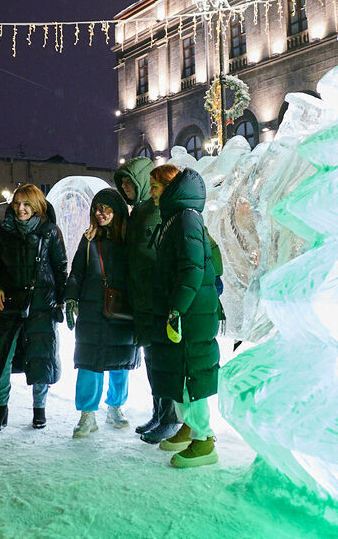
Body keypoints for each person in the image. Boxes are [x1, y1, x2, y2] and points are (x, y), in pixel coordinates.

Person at [148, 165, 221, 468]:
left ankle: (204, 442)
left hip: (190, 313)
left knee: (190, 374)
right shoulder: (176, 218)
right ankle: (191, 428)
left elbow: (192, 269)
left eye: (154, 186)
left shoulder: (185, 219)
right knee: (182, 372)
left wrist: (177, 308)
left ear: (168, 187)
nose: (150, 192)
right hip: (188, 309)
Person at [0, 184, 67, 431]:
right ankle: (1, 409)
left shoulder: (49, 231)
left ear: (37, 206)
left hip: (42, 304)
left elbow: (60, 267)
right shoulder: (2, 231)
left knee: (40, 357)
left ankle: (39, 409)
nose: (21, 208)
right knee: (2, 358)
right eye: (18, 203)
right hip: (7, 305)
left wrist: (61, 300)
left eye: (27, 204)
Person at [113, 157, 180, 443]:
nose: (126, 187)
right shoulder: (138, 212)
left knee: (164, 363)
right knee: (154, 363)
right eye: (122, 183)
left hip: (157, 301)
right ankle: (159, 414)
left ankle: (171, 419)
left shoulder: (157, 212)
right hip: (143, 302)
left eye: (130, 181)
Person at [63, 188, 139, 437]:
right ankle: (87, 414)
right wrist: (71, 297)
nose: (100, 212)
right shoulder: (89, 239)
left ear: (117, 211)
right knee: (89, 363)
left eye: (106, 208)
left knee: (120, 364)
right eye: (97, 208)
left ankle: (115, 406)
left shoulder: (129, 239)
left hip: (122, 310)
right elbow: (76, 273)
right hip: (92, 309)